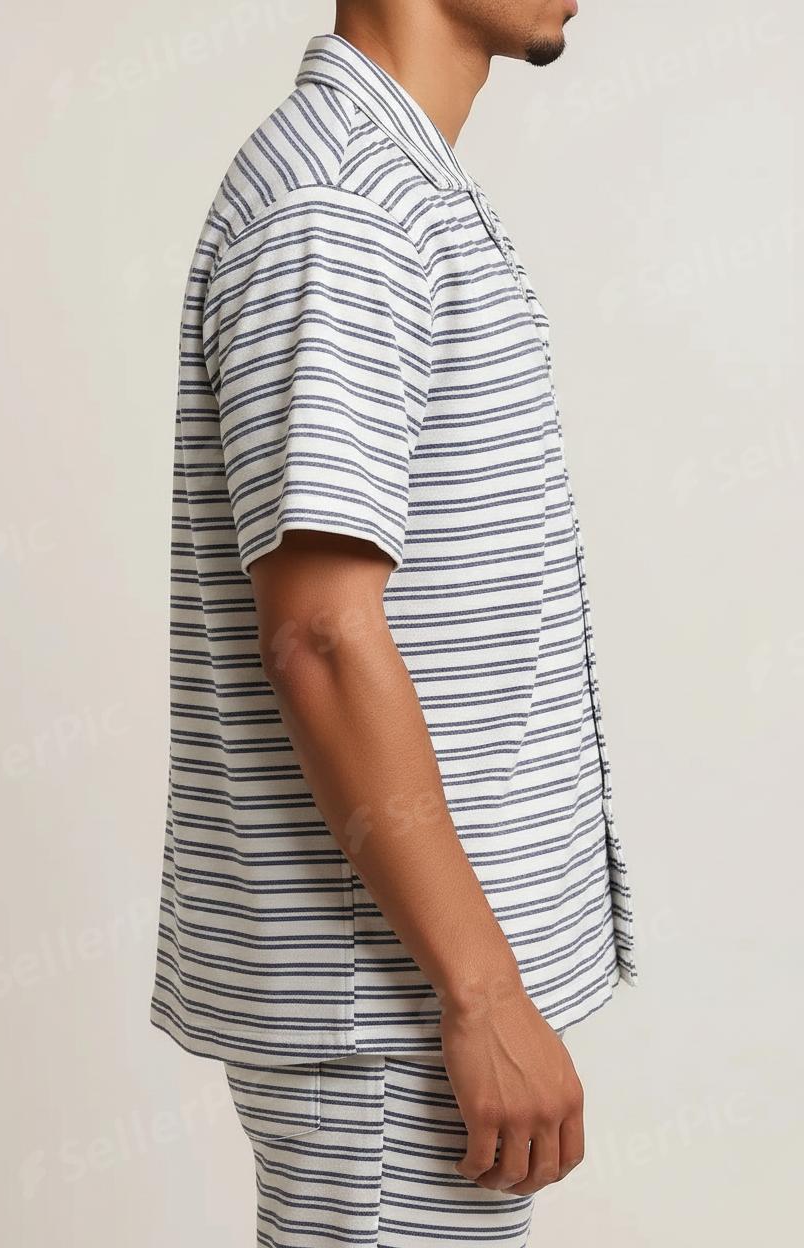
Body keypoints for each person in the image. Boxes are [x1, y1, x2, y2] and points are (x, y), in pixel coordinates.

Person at [150, 1, 637, 1242]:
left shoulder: (392, 186)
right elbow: (319, 636)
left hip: (405, 986)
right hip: (391, 1001)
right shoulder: (343, 206)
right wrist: (480, 991)